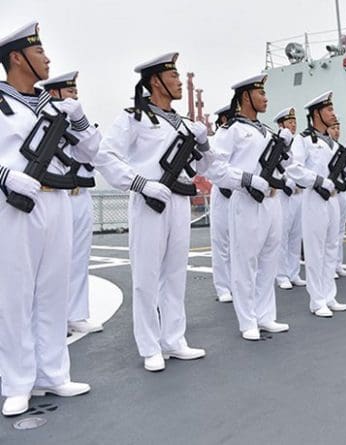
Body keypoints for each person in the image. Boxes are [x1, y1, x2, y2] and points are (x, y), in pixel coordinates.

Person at [95, 52, 268, 370]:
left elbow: (209, 168)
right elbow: (105, 156)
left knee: (175, 274)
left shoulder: (186, 124)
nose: (178, 81)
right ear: (155, 81)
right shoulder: (134, 118)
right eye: (172, 76)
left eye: (178, 75)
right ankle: (149, 346)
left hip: (179, 202)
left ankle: (174, 339)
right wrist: (139, 183)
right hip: (150, 201)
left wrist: (204, 146)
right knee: (146, 277)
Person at [0, 22, 99, 416]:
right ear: (17, 58)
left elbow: (91, 151)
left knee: (54, 291)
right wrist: (5, 176)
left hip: (57, 199)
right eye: (39, 52)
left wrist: (78, 119)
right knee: (16, 295)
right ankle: (17, 381)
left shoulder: (56, 107)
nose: (48, 59)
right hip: (15, 205)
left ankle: (53, 374)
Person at [216, 74, 291, 340]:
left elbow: (284, 165)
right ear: (246, 96)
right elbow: (216, 168)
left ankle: (266, 315)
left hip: (272, 202)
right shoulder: (231, 130)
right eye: (261, 93)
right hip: (247, 201)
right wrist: (247, 179)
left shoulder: (267, 131)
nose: (266, 98)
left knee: (270, 258)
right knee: (245, 261)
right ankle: (247, 320)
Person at [41, 71, 103, 333]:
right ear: (54, 94)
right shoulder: (44, 122)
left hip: (81, 195)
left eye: (76, 93)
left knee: (79, 257)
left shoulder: (80, 124)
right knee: (51, 261)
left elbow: (95, 150)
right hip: (56, 195)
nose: (75, 97)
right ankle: (50, 318)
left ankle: (75, 314)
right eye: (69, 93)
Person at [285, 91, 346, 317]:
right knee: (315, 251)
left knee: (332, 247)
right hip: (314, 198)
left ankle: (329, 295)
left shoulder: (332, 143)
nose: (333, 114)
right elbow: (294, 168)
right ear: (316, 113)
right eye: (329, 109)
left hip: (332, 200)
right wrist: (317, 180)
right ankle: (317, 300)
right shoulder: (302, 140)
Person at [273, 106, 307, 289]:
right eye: (289, 122)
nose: (293, 125)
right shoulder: (277, 142)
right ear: (281, 124)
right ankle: (281, 274)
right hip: (283, 193)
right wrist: (288, 181)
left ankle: (293, 272)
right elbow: (275, 167)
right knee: (282, 234)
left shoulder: (297, 142)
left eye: (294, 122)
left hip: (298, 193)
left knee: (296, 234)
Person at [210, 104, 234, 303]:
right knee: (221, 243)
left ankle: (235, 283)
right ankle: (223, 287)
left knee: (238, 243)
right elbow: (213, 167)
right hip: (222, 192)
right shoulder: (219, 136)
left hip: (239, 192)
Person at [327, 119, 346, 279]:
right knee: (329, 232)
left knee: (340, 230)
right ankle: (329, 266)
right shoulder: (327, 147)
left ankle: (338, 264)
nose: (336, 131)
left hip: (341, 192)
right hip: (330, 193)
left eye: (338, 128)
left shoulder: (340, 148)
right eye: (333, 128)